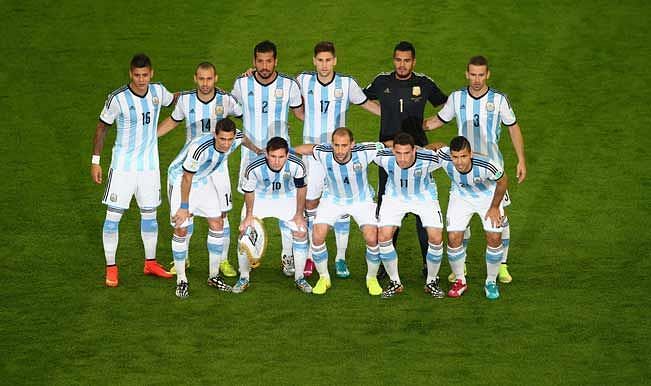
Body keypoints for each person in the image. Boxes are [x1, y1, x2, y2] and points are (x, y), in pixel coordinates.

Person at [424, 55, 526, 283]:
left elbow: (513, 128)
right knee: (462, 220)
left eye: (481, 75)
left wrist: (521, 159)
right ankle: (461, 269)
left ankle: (502, 265)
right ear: (466, 74)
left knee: (499, 218)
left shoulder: (499, 99)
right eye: (473, 74)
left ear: (487, 74)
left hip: (492, 169)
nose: (477, 79)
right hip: (462, 164)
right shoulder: (457, 98)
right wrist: (412, 123)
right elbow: (438, 120)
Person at [296, 41, 381, 278]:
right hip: (313, 156)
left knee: (342, 206)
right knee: (310, 204)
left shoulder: (347, 84)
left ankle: (340, 258)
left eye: (328, 60)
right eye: (320, 60)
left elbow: (368, 106)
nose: (324, 65)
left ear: (335, 60)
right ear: (314, 61)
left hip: (339, 155)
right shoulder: (302, 80)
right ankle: (312, 257)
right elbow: (292, 103)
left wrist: (395, 114)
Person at [364, 41, 447, 277]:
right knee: (387, 205)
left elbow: (448, 104)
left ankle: (426, 264)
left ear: (413, 61)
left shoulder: (424, 83)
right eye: (398, 60)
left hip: (418, 155)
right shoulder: (382, 81)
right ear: (394, 60)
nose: (402, 64)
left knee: (423, 210)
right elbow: (357, 97)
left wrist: (430, 124)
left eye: (407, 60)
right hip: (390, 155)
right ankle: (383, 264)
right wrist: (383, 112)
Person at [91, 53, 174, 287]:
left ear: (151, 74)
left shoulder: (158, 92)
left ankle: (150, 263)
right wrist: (96, 161)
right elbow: (102, 128)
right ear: (130, 74)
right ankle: (111, 268)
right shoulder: (117, 99)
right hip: (123, 169)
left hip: (149, 168)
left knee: (150, 216)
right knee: (112, 219)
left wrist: (204, 92)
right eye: (136, 75)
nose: (140, 80)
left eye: (144, 75)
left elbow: (177, 100)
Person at [158, 62, 241, 278]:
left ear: (216, 78)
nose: (205, 83)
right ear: (195, 78)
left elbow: (246, 116)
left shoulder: (226, 100)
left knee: (221, 214)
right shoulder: (186, 100)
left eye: (209, 79)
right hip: (192, 165)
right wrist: (150, 138)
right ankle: (182, 260)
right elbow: (173, 121)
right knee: (186, 214)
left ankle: (223, 260)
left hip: (218, 166)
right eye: (201, 79)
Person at [232, 40, 305, 278]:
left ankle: (287, 257)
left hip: (281, 158)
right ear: (253, 62)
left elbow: (300, 113)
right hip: (251, 158)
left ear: (275, 61)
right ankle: (247, 258)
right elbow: (232, 110)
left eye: (269, 61)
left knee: (289, 209)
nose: (264, 66)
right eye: (260, 61)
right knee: (249, 213)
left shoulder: (289, 85)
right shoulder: (242, 84)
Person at [167, 117, 260, 298]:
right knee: (181, 228)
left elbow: (244, 139)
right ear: (214, 135)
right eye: (222, 139)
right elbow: (186, 177)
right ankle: (181, 280)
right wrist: (184, 207)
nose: (226, 144)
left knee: (217, 223)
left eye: (229, 139)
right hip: (181, 181)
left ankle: (213, 276)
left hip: (202, 179)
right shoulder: (200, 148)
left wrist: (257, 150)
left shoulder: (235, 139)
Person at [294, 128, 384, 296]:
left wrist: (417, 149)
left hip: (361, 201)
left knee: (372, 237)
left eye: (344, 145)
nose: (340, 150)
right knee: (317, 235)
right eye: (336, 145)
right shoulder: (323, 152)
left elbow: (388, 146)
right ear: (332, 144)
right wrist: (287, 151)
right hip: (332, 200)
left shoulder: (365, 151)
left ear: (352, 144)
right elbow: (307, 148)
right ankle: (324, 277)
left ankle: (371, 278)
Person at [429, 136, 508, 300]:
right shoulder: (445, 157)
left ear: (471, 154)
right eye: (455, 157)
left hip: (487, 198)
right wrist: (421, 150)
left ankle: (491, 281)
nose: (459, 162)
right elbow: (437, 145)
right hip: (461, 197)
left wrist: (494, 207)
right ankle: (460, 280)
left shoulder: (487, 164)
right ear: (451, 155)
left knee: (494, 237)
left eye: (463, 156)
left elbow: (502, 181)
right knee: (453, 237)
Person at [235, 137, 310, 294]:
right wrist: (249, 216)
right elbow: (249, 192)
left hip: (286, 197)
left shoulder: (298, 165)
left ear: (287, 155)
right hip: (260, 198)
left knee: (301, 231)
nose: (277, 161)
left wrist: (299, 214)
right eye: (273, 156)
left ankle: (299, 277)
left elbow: (301, 189)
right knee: (244, 232)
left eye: (281, 157)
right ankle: (243, 277)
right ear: (267, 154)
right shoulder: (253, 168)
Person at [374, 132, 445, 298]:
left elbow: (446, 151)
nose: (402, 158)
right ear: (393, 151)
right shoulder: (384, 157)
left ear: (414, 151)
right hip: (395, 197)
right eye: (398, 153)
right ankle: (395, 282)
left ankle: (431, 281)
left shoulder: (428, 158)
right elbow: (360, 149)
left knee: (436, 238)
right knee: (384, 236)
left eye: (407, 153)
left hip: (424, 196)